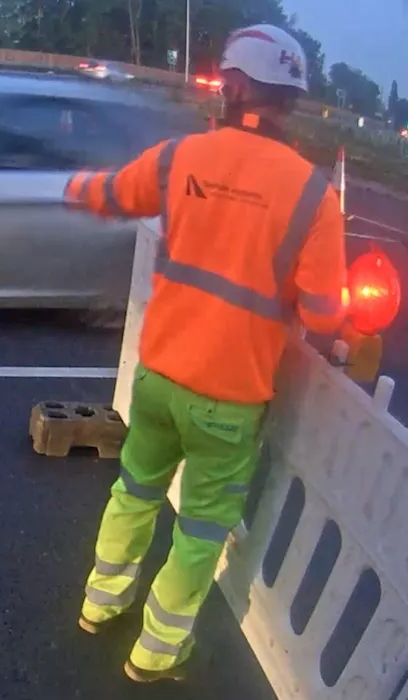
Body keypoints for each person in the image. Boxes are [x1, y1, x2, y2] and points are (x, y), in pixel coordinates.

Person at [63, 24, 348, 683]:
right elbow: (323, 312)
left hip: (160, 375)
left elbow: (111, 195)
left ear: (233, 86)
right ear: (289, 102)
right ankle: (157, 652)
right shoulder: (314, 197)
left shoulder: (180, 157)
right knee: (200, 528)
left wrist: (66, 185)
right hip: (229, 398)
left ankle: (99, 605)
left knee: (134, 488)